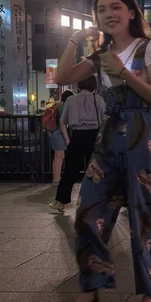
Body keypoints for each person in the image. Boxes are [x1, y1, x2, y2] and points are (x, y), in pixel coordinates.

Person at [54, 0, 151, 302]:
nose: (108, 14)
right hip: (108, 139)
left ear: (132, 12)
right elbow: (61, 77)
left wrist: (123, 73)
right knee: (87, 214)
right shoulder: (99, 56)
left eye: (115, 7)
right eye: (101, 10)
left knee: (143, 218)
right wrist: (75, 39)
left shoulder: (149, 48)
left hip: (142, 137)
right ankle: (91, 286)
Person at [49, 76, 105, 213]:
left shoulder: (70, 99)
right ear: (94, 86)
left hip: (77, 135)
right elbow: (105, 119)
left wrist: (68, 139)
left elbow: (63, 121)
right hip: (94, 135)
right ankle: (100, 202)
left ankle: (61, 202)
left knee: (70, 170)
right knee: (96, 170)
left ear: (79, 86)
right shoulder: (98, 99)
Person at [48, 90, 74, 184]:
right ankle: (56, 178)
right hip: (57, 133)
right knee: (59, 155)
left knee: (59, 155)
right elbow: (62, 123)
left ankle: (57, 177)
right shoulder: (62, 107)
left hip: (53, 132)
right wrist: (67, 138)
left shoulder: (57, 105)